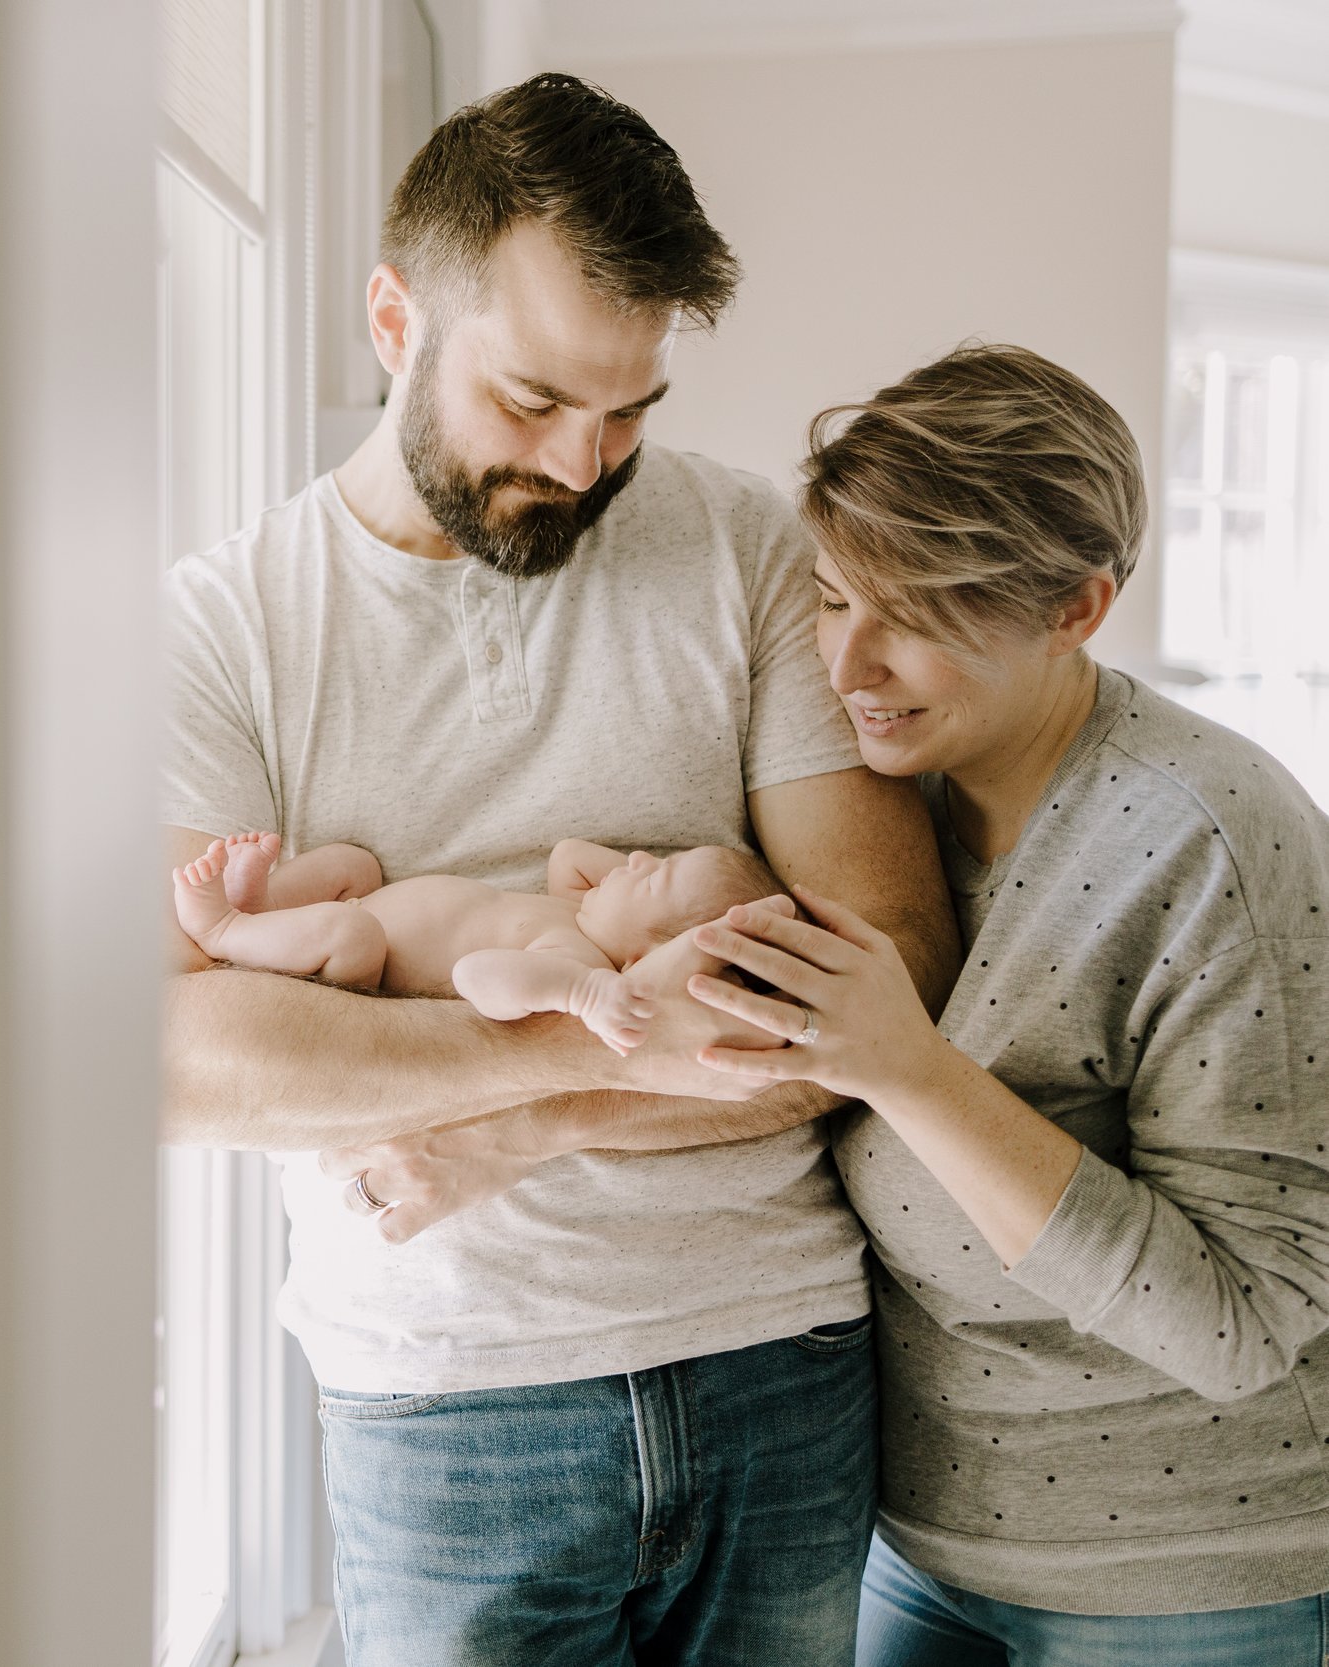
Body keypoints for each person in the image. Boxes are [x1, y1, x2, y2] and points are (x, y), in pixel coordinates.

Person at [161, 74, 959, 1665]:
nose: (589, 462)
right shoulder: (224, 625)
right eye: (531, 401)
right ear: (395, 319)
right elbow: (187, 1053)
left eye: (632, 409)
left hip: (779, 1353)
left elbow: (890, 961)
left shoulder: (748, 549)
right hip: (446, 1398)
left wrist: (516, 1124)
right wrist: (599, 1039)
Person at [668, 345, 1329, 1661]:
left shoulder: (1208, 835)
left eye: (915, 613)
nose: (850, 660)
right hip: (915, 1545)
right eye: (834, 595)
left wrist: (912, 1070)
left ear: (1079, 607)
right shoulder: (872, 806)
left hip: (1187, 1580)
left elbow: (1248, 1316)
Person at [173, 831, 790, 1056]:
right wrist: (637, 895)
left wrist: (585, 991)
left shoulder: (575, 963)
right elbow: (569, 853)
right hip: (353, 910)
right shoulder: (578, 909)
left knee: (350, 927)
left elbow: (476, 979)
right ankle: (263, 910)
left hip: (356, 965)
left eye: (654, 875)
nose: (634, 858)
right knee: (351, 862)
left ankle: (223, 929)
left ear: (638, 959)